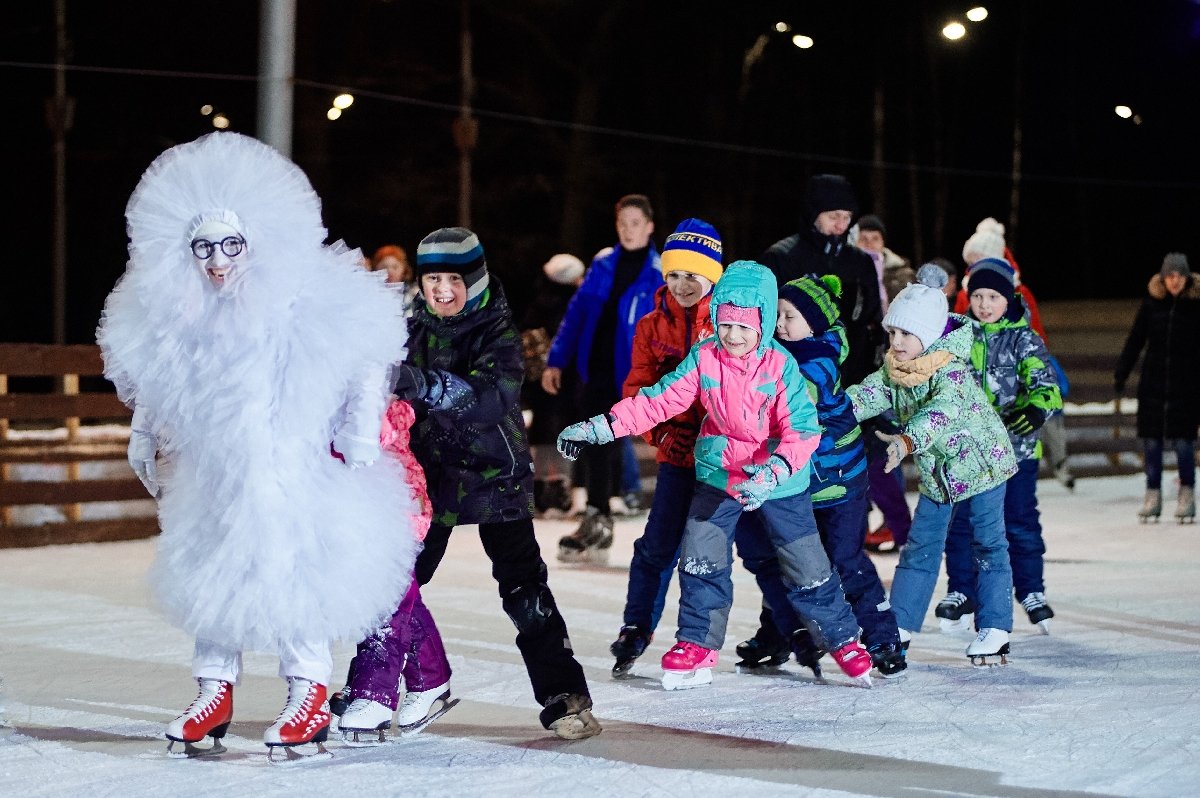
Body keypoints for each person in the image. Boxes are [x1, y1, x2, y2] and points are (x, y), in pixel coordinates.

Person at [98, 131, 419, 759]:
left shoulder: (300, 297)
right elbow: (161, 376)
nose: (217, 261)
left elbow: (364, 349)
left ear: (255, 242)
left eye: (231, 246)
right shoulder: (182, 310)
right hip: (215, 472)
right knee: (214, 569)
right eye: (203, 248)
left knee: (292, 569)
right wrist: (143, 431)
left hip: (289, 467)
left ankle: (308, 689)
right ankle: (213, 688)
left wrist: (357, 429)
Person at [558, 260, 874, 691]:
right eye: (726, 323)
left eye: (745, 327)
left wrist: (773, 470)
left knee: (806, 564)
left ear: (762, 324)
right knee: (700, 557)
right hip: (720, 471)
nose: (734, 336)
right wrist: (599, 428)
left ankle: (843, 639)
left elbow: (802, 430)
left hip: (779, 479)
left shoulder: (781, 366)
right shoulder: (705, 357)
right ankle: (697, 643)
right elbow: (657, 401)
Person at [394, 226, 601, 740]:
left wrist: (421, 383)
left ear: (476, 279)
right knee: (394, 581)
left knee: (524, 590)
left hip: (494, 476)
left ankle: (564, 696)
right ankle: (387, 683)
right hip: (433, 476)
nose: (442, 290)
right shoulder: (409, 327)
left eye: (454, 279)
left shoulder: (497, 330)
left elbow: (491, 399)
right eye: (433, 279)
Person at [734, 275, 907, 679]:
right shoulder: (779, 353)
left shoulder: (818, 359)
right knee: (791, 562)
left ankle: (882, 637)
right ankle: (779, 632)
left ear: (814, 323)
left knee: (845, 561)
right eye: (776, 314)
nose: (779, 323)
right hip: (799, 486)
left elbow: (796, 400)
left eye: (789, 316)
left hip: (840, 482)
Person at [847, 282, 1018, 665]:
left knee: (988, 545)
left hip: (983, 466)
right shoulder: (897, 368)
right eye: (892, 332)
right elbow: (867, 394)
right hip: (940, 473)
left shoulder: (950, 371)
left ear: (927, 334)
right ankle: (900, 625)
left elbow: (938, 415)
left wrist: (906, 442)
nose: (897, 341)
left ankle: (995, 627)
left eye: (906, 333)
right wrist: (825, 411)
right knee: (920, 547)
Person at [606, 218, 723, 676]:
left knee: (753, 549)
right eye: (673, 274)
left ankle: (786, 625)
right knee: (657, 546)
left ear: (712, 275)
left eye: (692, 274)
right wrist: (661, 434)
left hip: (727, 460)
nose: (681, 284)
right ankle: (636, 626)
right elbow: (638, 389)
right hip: (677, 456)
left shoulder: (730, 322)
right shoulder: (653, 325)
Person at [935, 258, 1063, 635]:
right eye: (978, 296)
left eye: (993, 296)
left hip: (1015, 452)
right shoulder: (959, 337)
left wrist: (1038, 409)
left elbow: (1046, 385)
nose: (985, 304)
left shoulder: (1024, 339)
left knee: (1019, 521)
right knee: (961, 526)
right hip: (966, 453)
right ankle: (961, 588)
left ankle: (1030, 590)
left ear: (1008, 299)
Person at [542, 194, 663, 563]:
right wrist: (556, 360)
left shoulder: (657, 273)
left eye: (635, 223)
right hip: (593, 370)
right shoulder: (602, 264)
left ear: (649, 227)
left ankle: (601, 517)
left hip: (630, 375)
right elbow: (576, 315)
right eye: (622, 223)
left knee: (607, 443)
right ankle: (597, 518)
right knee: (595, 442)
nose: (628, 230)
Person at [334, 400, 457, 741]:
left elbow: (379, 428)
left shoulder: (374, 378)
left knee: (388, 600)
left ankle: (374, 693)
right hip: (355, 497)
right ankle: (430, 678)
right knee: (399, 596)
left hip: (394, 497)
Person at [960, 218, 1074, 489]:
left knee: (1046, 414)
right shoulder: (969, 292)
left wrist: (1026, 366)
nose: (984, 305)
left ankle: (1059, 461)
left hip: (1015, 416)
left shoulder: (1016, 294)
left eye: (977, 256)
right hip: (975, 431)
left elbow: (1033, 336)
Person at [760, 173, 886, 388]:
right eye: (834, 216)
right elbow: (765, 316)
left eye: (847, 217)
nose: (841, 225)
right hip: (793, 372)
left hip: (851, 374)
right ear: (814, 213)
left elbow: (873, 317)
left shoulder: (860, 261)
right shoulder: (781, 257)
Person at [1114, 252, 1200, 524]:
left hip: (1186, 386)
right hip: (1153, 384)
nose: (1175, 281)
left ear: (1187, 279)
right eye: (1170, 276)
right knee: (1151, 443)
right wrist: (1122, 372)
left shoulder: (1196, 306)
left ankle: (1186, 495)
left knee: (1184, 444)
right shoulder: (1152, 304)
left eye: (1180, 276)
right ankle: (1152, 495)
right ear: (1163, 278)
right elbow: (1136, 339)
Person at [851, 214, 917, 554]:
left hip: (888, 372)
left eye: (875, 238)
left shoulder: (899, 274)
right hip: (853, 372)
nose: (869, 244)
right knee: (855, 458)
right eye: (864, 237)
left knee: (883, 452)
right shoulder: (844, 267)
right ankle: (857, 524)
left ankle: (898, 525)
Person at [520, 253, 586, 517]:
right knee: (566, 431)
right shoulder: (574, 304)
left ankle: (540, 493)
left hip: (540, 384)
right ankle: (559, 492)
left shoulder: (537, 304)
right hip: (569, 381)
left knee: (543, 432)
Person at [853, 213, 915, 310]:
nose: (869, 244)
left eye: (875, 239)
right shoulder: (845, 270)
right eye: (863, 239)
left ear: (883, 242)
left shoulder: (902, 274)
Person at [368, 244, 420, 315]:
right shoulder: (369, 296)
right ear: (375, 270)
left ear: (404, 270)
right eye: (384, 267)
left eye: (395, 267)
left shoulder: (416, 294)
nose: (390, 272)